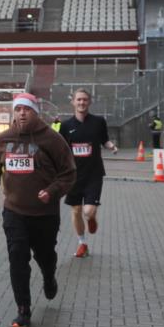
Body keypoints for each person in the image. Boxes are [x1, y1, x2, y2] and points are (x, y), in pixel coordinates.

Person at [0, 93, 76, 327]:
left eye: (27, 109)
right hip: (14, 211)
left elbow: (68, 172)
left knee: (45, 256)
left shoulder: (52, 140)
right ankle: (23, 310)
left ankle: (49, 277)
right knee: (18, 258)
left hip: (45, 213)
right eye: (18, 110)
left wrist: (52, 191)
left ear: (36, 112)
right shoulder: (3, 140)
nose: (22, 113)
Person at [58, 88, 117, 259]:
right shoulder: (66, 125)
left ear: (89, 102)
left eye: (85, 100)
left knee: (88, 211)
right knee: (76, 211)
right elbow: (61, 149)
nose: (82, 102)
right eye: (79, 100)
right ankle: (82, 243)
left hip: (93, 174)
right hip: (74, 175)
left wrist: (111, 146)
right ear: (73, 102)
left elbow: (105, 140)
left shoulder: (98, 122)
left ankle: (91, 218)